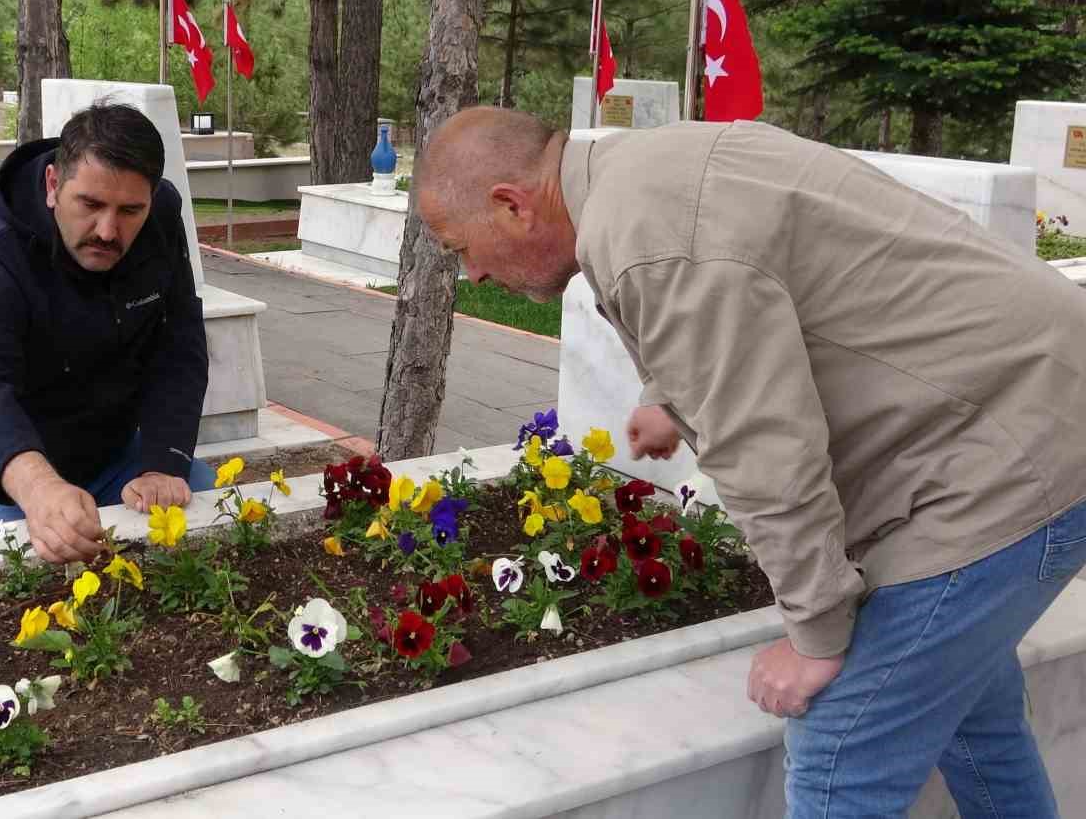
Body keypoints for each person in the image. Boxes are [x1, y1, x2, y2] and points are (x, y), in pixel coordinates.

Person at [413, 107, 1086, 818]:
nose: (475, 272)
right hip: (1031, 410)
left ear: (512, 204)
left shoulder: (645, 239)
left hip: (1005, 459)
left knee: (838, 762)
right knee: (976, 724)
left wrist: (817, 635)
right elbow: (756, 287)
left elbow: (767, 445)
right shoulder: (639, 174)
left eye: (462, 247)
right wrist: (670, 394)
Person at [0, 102, 216, 562]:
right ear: (54, 184)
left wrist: (161, 464)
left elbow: (180, 343)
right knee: (20, 568)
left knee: (204, 509)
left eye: (131, 210)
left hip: (105, 457)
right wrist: (39, 488)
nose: (108, 231)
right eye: (90, 205)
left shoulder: (161, 217)